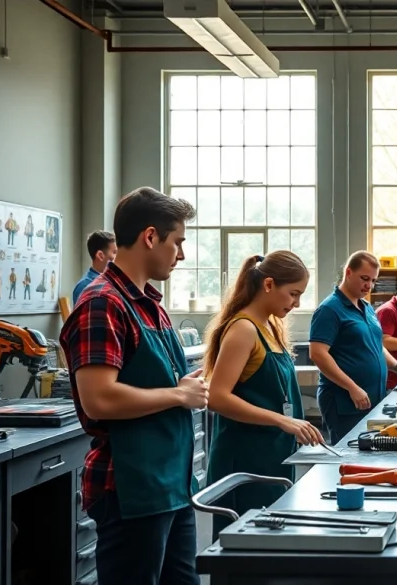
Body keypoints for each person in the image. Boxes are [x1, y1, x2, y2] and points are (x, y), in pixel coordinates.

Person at [60, 187, 205, 585]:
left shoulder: (150, 304)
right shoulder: (102, 303)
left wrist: (182, 385)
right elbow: (99, 399)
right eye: (178, 242)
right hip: (131, 487)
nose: (182, 254)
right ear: (150, 237)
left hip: (170, 483)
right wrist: (179, 394)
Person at [204, 251, 325, 540]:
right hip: (245, 461)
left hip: (272, 456)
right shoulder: (243, 329)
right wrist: (283, 421)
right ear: (268, 284)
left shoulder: (270, 326)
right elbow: (217, 397)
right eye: (293, 294)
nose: (296, 303)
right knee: (244, 552)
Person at [310, 251, 397, 443]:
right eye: (364, 278)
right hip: (345, 400)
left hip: (373, 396)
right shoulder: (329, 309)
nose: (369, 285)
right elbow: (318, 354)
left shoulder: (367, 307)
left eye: (374, 280)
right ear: (349, 272)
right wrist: (352, 387)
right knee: (347, 455)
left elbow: (376, 344)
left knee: (369, 453)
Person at [73, 230, 118, 304]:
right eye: (114, 252)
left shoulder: (114, 281)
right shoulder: (84, 286)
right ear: (100, 255)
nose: (118, 257)